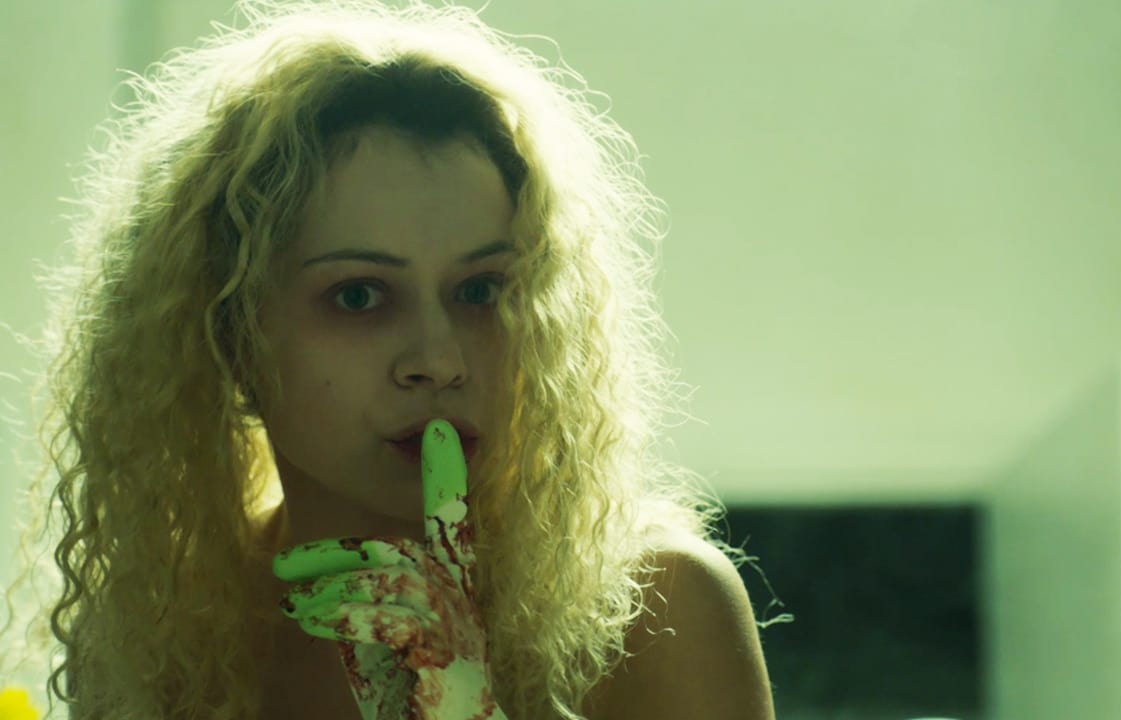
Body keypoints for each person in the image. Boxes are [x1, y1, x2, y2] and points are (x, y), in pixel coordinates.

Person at [0, 0, 786, 718]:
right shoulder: (166, 631)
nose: (438, 360)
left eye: (481, 290)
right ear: (229, 336)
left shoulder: (658, 609)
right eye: (359, 297)